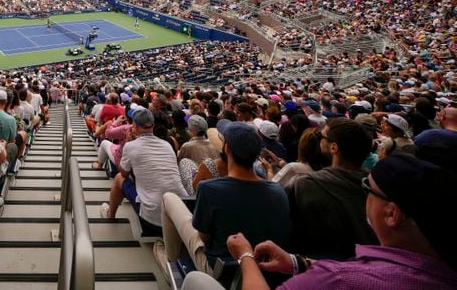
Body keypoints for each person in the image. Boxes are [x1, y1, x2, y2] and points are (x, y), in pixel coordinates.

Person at [187, 153, 457, 290]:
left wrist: (245, 255)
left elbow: (348, 277)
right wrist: (298, 262)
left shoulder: (337, 280)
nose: (362, 191)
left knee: (194, 281)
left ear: (392, 214)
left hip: (235, 262)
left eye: (368, 187)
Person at [156, 120, 290, 278]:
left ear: (226, 148)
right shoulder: (278, 191)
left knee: (168, 198)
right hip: (264, 270)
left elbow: (204, 237)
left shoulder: (209, 188)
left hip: (219, 270)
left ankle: (172, 266)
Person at [287, 118, 377, 258]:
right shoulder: (377, 187)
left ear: (333, 147)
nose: (319, 139)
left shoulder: (305, 185)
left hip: (320, 268)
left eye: (321, 137)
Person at [100, 108, 185, 234]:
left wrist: (128, 143)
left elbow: (124, 173)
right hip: (180, 219)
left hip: (154, 221)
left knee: (119, 178)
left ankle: (110, 214)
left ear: (134, 125)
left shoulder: (131, 146)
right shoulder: (167, 145)